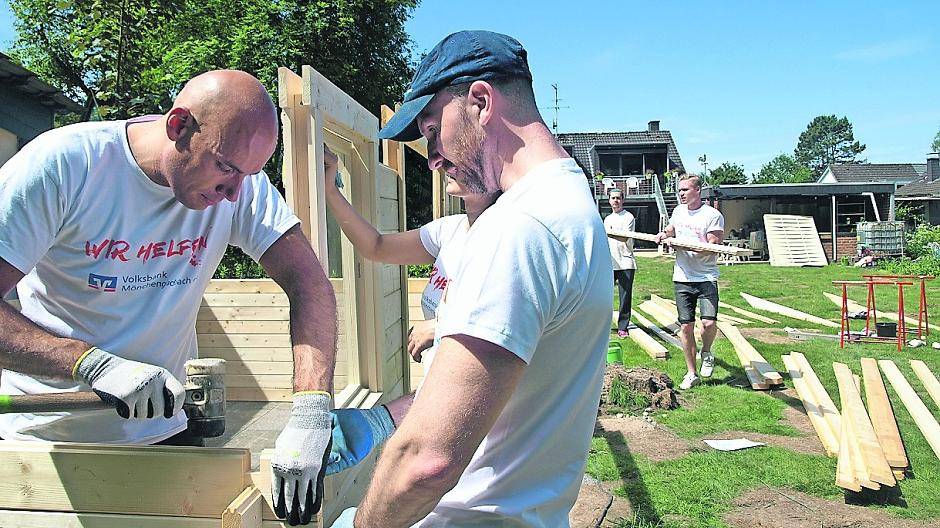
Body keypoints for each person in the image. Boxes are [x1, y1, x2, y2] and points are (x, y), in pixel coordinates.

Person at [0, 70, 337, 526]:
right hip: (48, 440)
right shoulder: (65, 166)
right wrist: (93, 364)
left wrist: (312, 410)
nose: (234, 193)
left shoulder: (239, 187)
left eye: (249, 174)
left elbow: (308, 282)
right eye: (226, 168)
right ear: (179, 127)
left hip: (167, 434)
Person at [326, 29, 613, 528]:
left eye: (433, 129)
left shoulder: (518, 229)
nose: (433, 156)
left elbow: (427, 464)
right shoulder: (569, 206)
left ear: (480, 101)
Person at [654, 174, 724, 390]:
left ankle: (707, 352)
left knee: (708, 323)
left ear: (698, 190)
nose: (681, 194)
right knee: (686, 327)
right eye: (680, 190)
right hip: (682, 277)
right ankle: (691, 372)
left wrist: (680, 245)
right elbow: (671, 229)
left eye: (685, 189)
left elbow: (712, 245)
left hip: (705, 277)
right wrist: (664, 234)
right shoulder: (677, 211)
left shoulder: (712, 215)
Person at [604, 189, 636, 338]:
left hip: (625, 262)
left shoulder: (628, 217)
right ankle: (603, 326)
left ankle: (623, 327)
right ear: (609, 200)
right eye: (613, 198)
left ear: (622, 200)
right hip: (610, 262)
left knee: (625, 297)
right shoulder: (607, 219)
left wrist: (609, 232)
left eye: (618, 198)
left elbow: (624, 238)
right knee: (604, 295)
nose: (615, 201)